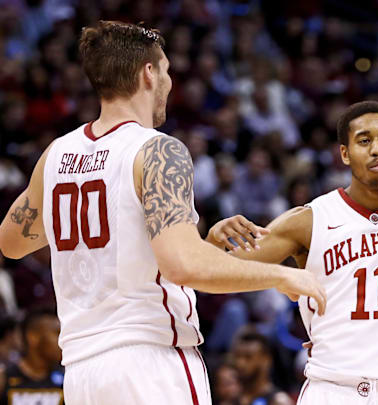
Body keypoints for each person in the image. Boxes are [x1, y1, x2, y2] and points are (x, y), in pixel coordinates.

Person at [0, 21, 326, 405]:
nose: (170, 84)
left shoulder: (56, 155)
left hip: (81, 374)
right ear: (149, 73)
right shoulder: (157, 150)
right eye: (168, 71)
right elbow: (183, 267)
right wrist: (281, 274)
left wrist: (197, 243)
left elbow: (11, 241)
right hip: (149, 364)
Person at [209, 101, 378, 404]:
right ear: (344, 154)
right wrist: (214, 242)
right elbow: (213, 272)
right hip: (332, 388)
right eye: (364, 140)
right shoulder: (309, 220)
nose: (377, 149)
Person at [0, 309, 63, 405]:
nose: (62, 340)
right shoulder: (4, 378)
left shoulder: (66, 377)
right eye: (56, 333)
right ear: (33, 337)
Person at [230, 331, 293, 405]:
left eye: (248, 357)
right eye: (237, 357)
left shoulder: (279, 402)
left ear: (266, 359)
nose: (240, 363)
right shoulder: (229, 399)